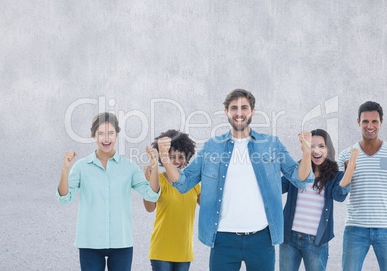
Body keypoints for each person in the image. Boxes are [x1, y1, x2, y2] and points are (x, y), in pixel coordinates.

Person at [157, 88, 314, 271]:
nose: (239, 113)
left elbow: (300, 178)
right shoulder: (211, 147)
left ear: (253, 111)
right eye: (234, 108)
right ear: (226, 112)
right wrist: (164, 157)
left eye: (244, 108)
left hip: (262, 238)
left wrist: (307, 153)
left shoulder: (271, 144)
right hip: (223, 239)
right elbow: (183, 183)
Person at [56, 112, 160, 271]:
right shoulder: (81, 167)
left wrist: (154, 167)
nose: (106, 138)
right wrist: (65, 169)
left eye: (111, 133)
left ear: (117, 135)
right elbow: (64, 198)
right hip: (89, 242)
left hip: (121, 243)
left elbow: (151, 194)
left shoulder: (129, 167)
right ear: (93, 136)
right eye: (101, 134)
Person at [280, 129, 359, 271]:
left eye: (321, 146)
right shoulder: (297, 171)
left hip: (316, 240)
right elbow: (277, 187)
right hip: (289, 238)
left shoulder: (335, 175)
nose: (316, 151)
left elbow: (339, 195)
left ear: (328, 149)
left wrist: (351, 168)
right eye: (312, 146)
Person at [338, 101, 387, 271]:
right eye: (365, 121)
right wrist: (350, 166)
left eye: (374, 121)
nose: (370, 125)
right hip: (355, 228)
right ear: (358, 122)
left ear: (381, 122)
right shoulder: (346, 154)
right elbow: (340, 193)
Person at [143, 130, 201, 271]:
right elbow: (150, 208)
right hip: (161, 250)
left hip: (184, 252)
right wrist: (150, 178)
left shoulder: (194, 183)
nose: (176, 161)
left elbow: (208, 207)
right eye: (171, 157)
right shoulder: (159, 180)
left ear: (187, 157)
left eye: (180, 157)